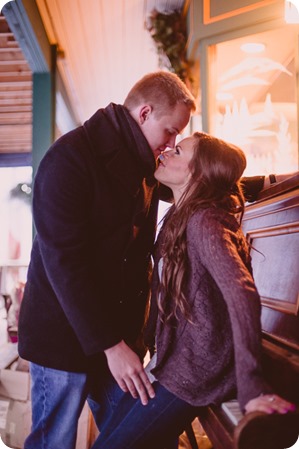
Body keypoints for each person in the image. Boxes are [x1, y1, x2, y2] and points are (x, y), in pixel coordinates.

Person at [17, 70, 284, 449]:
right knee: (53, 440)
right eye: (170, 132)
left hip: (118, 338)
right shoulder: (69, 160)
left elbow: (205, 178)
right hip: (64, 335)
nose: (171, 144)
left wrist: (275, 180)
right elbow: (65, 266)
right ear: (144, 114)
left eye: (179, 139)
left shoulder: (146, 159)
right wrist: (113, 347)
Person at [91, 132, 296, 449]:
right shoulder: (181, 214)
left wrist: (251, 385)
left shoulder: (206, 220)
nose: (166, 153)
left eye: (177, 151)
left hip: (197, 371)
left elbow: (242, 295)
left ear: (198, 172)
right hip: (170, 364)